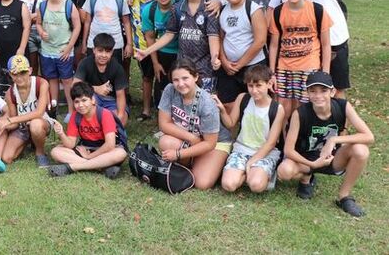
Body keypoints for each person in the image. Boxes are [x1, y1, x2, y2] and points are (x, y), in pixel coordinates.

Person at [270, 0, 368, 99]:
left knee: (336, 89)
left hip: (334, 40)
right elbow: (272, 11)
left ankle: (338, 123)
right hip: (304, 48)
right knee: (307, 93)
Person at [277, 71, 373, 217]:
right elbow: (289, 150)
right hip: (307, 159)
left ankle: (344, 197)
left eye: (323, 90)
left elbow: (369, 136)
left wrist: (334, 140)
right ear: (307, 93)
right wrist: (313, 165)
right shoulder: (300, 113)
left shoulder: (342, 106)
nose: (318, 95)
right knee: (284, 171)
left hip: (332, 158)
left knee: (361, 150)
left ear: (332, 91)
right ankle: (306, 178)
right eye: (313, 91)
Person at [138, 0, 221, 93]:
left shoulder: (210, 9)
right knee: (183, 100)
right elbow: (169, 34)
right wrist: (147, 51)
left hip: (205, 66)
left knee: (203, 100)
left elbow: (213, 35)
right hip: (183, 64)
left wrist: (215, 57)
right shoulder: (176, 8)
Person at [158, 60, 231, 190]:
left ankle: (215, 162)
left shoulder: (207, 104)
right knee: (166, 142)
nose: (180, 84)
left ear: (196, 77)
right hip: (191, 137)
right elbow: (164, 124)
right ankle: (193, 161)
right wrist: (191, 138)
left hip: (215, 142)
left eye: (185, 78)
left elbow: (209, 143)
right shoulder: (170, 90)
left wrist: (179, 154)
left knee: (202, 183)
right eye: (176, 80)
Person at [268, 0, 332, 119]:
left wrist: (325, 72)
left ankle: (301, 139)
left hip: (309, 66)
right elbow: (274, 45)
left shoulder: (317, 10)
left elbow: (326, 44)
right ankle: (283, 140)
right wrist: (272, 72)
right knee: (283, 107)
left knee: (304, 107)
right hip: (284, 67)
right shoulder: (278, 12)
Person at [215, 64, 285, 193]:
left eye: (258, 85)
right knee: (228, 185)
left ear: (269, 84)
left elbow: (271, 143)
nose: (254, 90)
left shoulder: (277, 109)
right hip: (241, 149)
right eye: (250, 86)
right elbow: (230, 123)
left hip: (264, 153)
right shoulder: (243, 98)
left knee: (256, 186)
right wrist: (222, 110)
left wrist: (252, 161)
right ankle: (248, 174)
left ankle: (259, 174)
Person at [47, 81, 128, 178]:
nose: (80, 105)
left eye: (84, 100)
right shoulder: (75, 116)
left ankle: (74, 167)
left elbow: (110, 145)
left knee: (121, 153)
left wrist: (89, 156)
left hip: (105, 150)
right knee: (56, 152)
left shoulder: (105, 114)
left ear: (93, 100)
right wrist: (61, 133)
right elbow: (70, 144)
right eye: (77, 102)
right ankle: (100, 166)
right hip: (86, 149)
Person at [215, 0, 267, 112]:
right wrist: (224, 61)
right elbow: (221, 37)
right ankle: (232, 132)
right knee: (228, 104)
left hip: (252, 65)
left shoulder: (253, 9)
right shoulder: (223, 10)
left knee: (255, 103)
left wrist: (240, 64)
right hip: (228, 66)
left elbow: (260, 41)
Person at [35, 0, 81, 116]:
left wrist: (69, 48)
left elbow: (77, 26)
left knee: (67, 80)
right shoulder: (42, 6)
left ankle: (71, 110)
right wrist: (41, 31)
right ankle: (53, 108)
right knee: (52, 79)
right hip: (47, 51)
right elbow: (37, 23)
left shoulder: (68, 5)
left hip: (64, 50)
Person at [0, 55, 51, 167]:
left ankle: (40, 153)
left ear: (30, 70)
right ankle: (30, 140)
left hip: (42, 121)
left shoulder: (41, 83)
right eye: (15, 74)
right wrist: (1, 125)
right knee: (6, 158)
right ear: (10, 74)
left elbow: (39, 113)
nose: (19, 77)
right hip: (23, 127)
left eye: (23, 72)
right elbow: (14, 123)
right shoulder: (10, 93)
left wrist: (9, 120)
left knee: (35, 124)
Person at [81, 0, 133, 67]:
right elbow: (87, 22)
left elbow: (126, 23)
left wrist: (129, 44)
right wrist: (84, 43)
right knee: (94, 72)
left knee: (114, 71)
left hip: (115, 43)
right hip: (94, 43)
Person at [139, 0, 178, 107]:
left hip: (181, 51)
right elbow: (149, 37)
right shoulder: (149, 10)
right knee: (162, 87)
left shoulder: (182, 4)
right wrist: (155, 63)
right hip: (162, 50)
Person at [74, 33, 128, 124]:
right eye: (100, 51)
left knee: (119, 119)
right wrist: (95, 88)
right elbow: (75, 86)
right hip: (93, 97)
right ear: (94, 50)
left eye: (107, 51)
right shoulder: (85, 63)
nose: (103, 55)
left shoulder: (117, 68)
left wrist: (120, 117)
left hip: (112, 100)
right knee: (89, 111)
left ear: (112, 52)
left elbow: (120, 95)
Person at [129, 0, 155, 120]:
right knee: (146, 77)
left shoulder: (157, 1)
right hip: (141, 47)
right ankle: (146, 110)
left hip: (158, 46)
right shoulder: (133, 1)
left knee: (161, 77)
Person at [16, 0, 44, 74]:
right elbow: (19, 18)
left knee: (44, 63)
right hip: (28, 34)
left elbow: (44, 14)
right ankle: (33, 84)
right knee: (32, 63)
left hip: (42, 31)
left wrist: (28, 16)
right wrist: (33, 16)